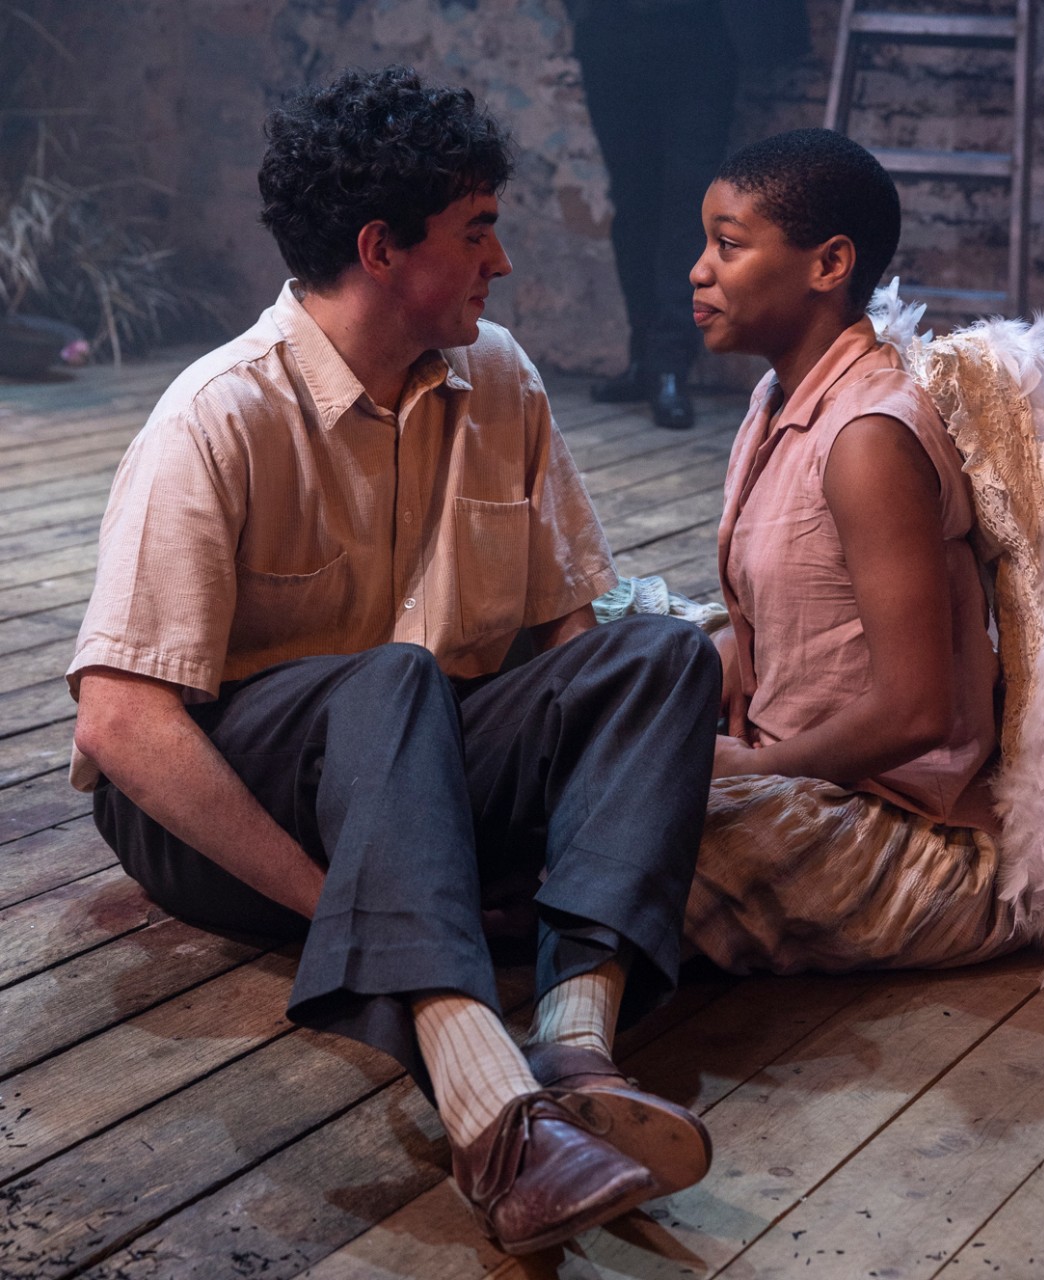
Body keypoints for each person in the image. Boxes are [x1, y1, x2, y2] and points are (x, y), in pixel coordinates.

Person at [66, 65, 721, 1256]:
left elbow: (568, 635)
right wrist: (340, 907)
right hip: (218, 811)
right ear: (381, 247)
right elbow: (121, 727)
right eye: (477, 232)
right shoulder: (216, 414)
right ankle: (494, 1118)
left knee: (656, 656)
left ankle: (576, 1041)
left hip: (410, 780)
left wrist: (589, 775)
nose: (501, 262)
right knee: (393, 674)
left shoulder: (502, 378)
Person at [683, 129, 1024, 975]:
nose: (699, 268)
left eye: (728, 245)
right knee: (617, 669)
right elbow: (803, 611)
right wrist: (726, 652)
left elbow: (917, 711)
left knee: (617, 846)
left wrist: (750, 768)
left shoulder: (868, 436)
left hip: (906, 833)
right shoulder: (780, 394)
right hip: (805, 776)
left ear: (828, 265)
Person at [564, 0, 740, 429]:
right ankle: (643, 359)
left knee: (688, 207)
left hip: (698, 27)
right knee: (632, 203)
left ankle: (668, 365)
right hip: (612, 29)